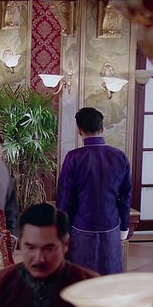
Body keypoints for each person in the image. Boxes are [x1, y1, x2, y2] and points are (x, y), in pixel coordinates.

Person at [57, 107, 132, 275]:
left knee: (81, 277)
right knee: (109, 275)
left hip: (81, 227)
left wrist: (61, 229)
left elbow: (65, 197)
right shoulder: (120, 156)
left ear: (79, 130)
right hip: (110, 226)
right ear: (102, 128)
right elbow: (125, 196)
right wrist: (124, 227)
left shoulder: (73, 157)